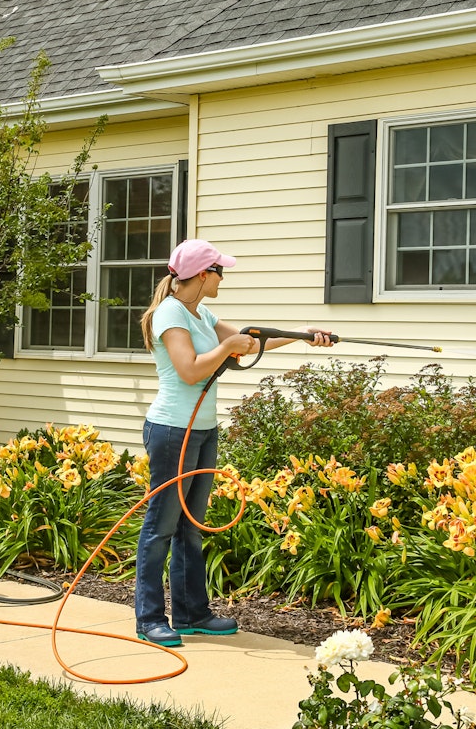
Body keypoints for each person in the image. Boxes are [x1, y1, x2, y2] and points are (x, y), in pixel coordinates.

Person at [134, 239, 334, 647]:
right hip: (172, 431)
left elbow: (250, 342)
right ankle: (149, 619)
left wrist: (303, 335)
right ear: (202, 274)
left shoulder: (200, 313)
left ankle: (192, 615)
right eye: (219, 271)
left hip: (203, 429)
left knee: (191, 528)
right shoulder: (170, 313)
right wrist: (227, 347)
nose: (223, 278)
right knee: (161, 527)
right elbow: (189, 370)